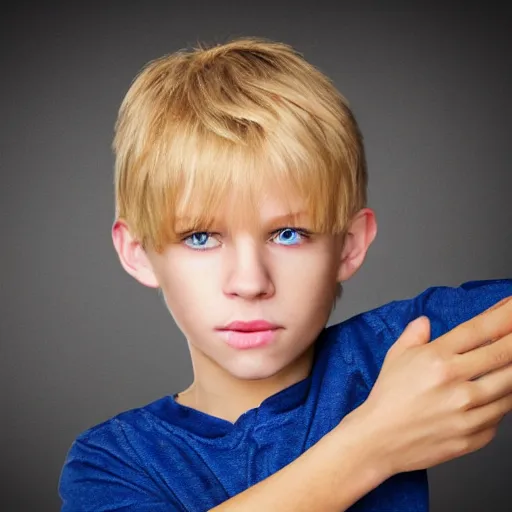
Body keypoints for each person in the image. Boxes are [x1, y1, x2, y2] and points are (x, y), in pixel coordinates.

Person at [59, 37, 512, 511]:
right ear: (139, 253)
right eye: (200, 237)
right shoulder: (113, 462)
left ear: (349, 245)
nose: (251, 282)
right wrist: (373, 443)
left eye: (289, 234)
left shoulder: (396, 351)